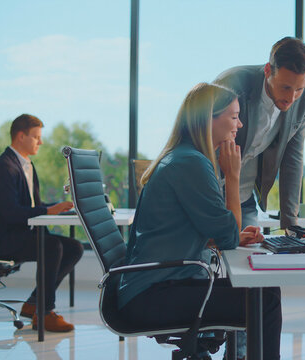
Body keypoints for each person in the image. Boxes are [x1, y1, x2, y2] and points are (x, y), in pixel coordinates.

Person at [117, 83, 282, 359]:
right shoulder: (191, 163)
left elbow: (196, 230)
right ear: (209, 119)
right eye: (233, 116)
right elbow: (229, 238)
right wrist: (233, 176)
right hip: (152, 295)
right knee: (264, 300)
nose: (239, 124)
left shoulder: (184, 157)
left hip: (151, 287)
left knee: (262, 292)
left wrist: (221, 235)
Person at [0, 114, 84, 332]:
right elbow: (11, 213)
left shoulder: (26, 165)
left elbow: (33, 203)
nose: (41, 142)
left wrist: (58, 207)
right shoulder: (4, 167)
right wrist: (47, 210)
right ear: (20, 136)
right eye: (36, 137)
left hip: (21, 234)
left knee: (74, 247)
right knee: (52, 247)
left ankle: (33, 303)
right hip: (1, 239)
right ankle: (44, 313)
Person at [214, 36, 305, 230]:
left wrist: (290, 227)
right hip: (211, 196)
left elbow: (292, 158)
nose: (291, 97)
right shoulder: (232, 83)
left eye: (299, 89)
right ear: (268, 70)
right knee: (217, 254)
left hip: (244, 200)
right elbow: (207, 146)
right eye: (285, 87)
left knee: (249, 255)